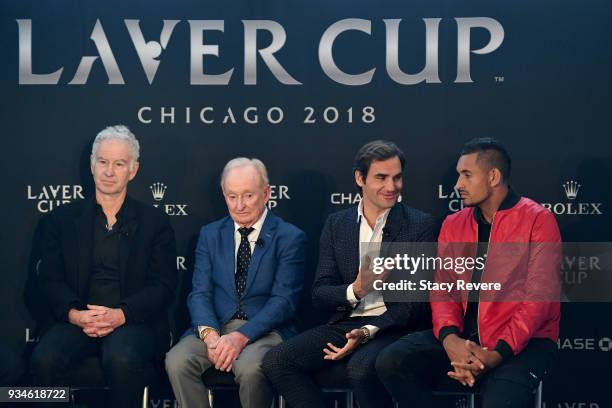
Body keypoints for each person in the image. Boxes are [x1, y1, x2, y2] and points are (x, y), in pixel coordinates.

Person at [376, 138, 561, 408]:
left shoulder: (538, 219)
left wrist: (495, 354)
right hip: (464, 339)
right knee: (391, 361)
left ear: (494, 176)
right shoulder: (454, 223)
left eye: (466, 175)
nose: (458, 185)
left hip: (524, 345)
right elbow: (443, 289)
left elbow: (539, 300)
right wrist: (451, 340)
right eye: (458, 175)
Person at [262, 140, 437, 408]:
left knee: (360, 369)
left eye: (397, 177)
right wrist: (355, 289)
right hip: (346, 321)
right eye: (381, 177)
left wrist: (367, 332)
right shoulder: (337, 224)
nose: (391, 187)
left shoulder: (419, 225)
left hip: (395, 326)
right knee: (277, 361)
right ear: (360, 178)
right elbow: (320, 293)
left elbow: (414, 305)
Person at [30, 125, 177, 408]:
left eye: (119, 163)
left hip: (133, 321)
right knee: (44, 358)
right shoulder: (60, 220)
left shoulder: (155, 223)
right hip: (76, 319)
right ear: (92, 165)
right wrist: (75, 315)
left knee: (121, 358)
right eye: (103, 162)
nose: (109, 171)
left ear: (132, 170)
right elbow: (48, 280)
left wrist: (122, 314)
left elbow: (163, 286)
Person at [165, 158, 305, 408]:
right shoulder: (210, 234)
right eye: (232, 197)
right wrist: (210, 336)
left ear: (266, 193)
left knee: (252, 369)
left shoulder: (289, 237)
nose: (239, 206)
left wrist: (241, 336)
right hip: (216, 327)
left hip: (265, 331)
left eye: (248, 195)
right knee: (177, 361)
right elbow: (199, 293)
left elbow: (283, 302)